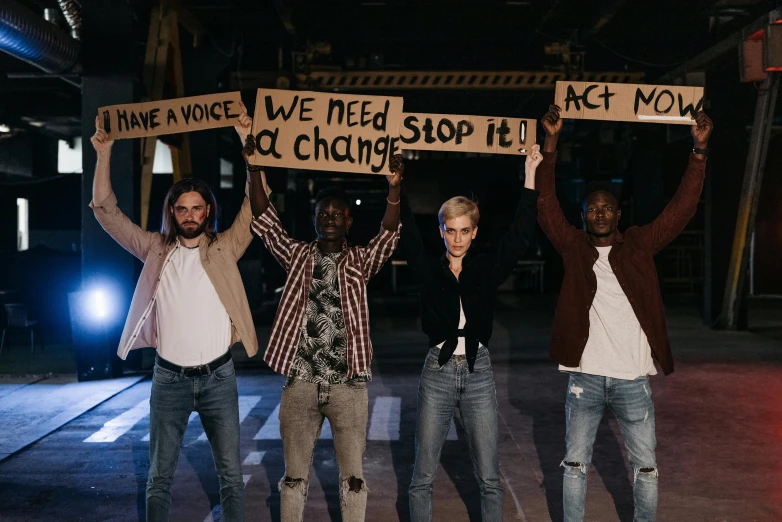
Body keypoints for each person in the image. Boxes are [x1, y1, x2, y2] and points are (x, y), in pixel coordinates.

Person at [536, 105, 713, 522]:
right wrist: (551, 143)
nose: (599, 213)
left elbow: (681, 208)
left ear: (618, 214)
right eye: (592, 208)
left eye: (606, 207)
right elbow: (545, 206)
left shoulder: (638, 245)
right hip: (586, 377)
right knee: (575, 465)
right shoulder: (574, 248)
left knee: (646, 469)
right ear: (584, 215)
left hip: (633, 378)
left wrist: (699, 152)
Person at [89, 104, 259, 522]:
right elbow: (105, 212)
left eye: (197, 208)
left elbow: (256, 210)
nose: (189, 216)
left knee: (231, 477)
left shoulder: (224, 248)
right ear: (172, 212)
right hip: (169, 380)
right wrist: (104, 151)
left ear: (208, 212)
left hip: (219, 378)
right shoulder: (154, 250)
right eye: (181, 209)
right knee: (159, 478)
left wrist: (245, 142)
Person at [244, 134, 404, 522]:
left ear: (349, 220)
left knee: (353, 478)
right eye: (323, 214)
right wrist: (253, 168)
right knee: (295, 478)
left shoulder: (361, 262)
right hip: (299, 383)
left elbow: (389, 235)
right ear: (315, 220)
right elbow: (265, 222)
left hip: (348, 386)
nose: (329, 219)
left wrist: (395, 188)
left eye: (337, 214)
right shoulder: (297, 255)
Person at [403, 145, 543, 521]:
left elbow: (519, 236)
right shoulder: (429, 271)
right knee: (422, 476)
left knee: (489, 478)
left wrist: (530, 174)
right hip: (438, 371)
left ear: (475, 232)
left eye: (465, 231)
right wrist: (394, 184)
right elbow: (405, 233)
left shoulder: (485, 270)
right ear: (442, 231)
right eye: (451, 230)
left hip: (479, 371)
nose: (458, 238)